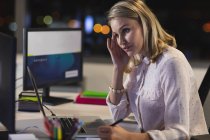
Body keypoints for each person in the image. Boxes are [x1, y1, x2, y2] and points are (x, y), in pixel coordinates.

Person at [97, 0, 209, 139]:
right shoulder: (138, 61)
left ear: (146, 25)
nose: (121, 42)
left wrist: (128, 137)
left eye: (126, 30)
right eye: (117, 35)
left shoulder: (171, 63)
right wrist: (118, 69)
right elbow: (118, 114)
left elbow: (180, 133)